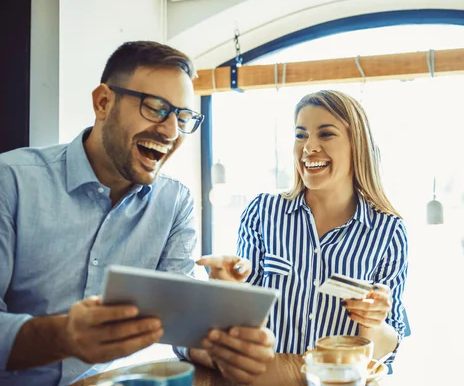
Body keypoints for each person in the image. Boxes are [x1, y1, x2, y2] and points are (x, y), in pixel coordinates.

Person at [0, 41, 274, 386]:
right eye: (156, 107)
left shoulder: (175, 202)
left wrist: (219, 348)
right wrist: (62, 335)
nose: (171, 131)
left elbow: (179, 323)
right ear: (103, 102)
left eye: (183, 117)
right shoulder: (10, 181)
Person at [204, 90, 409, 370]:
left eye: (325, 134)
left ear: (356, 145)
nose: (309, 147)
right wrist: (227, 289)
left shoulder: (389, 231)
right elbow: (244, 321)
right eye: (301, 135)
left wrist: (374, 321)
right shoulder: (263, 212)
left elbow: (388, 350)